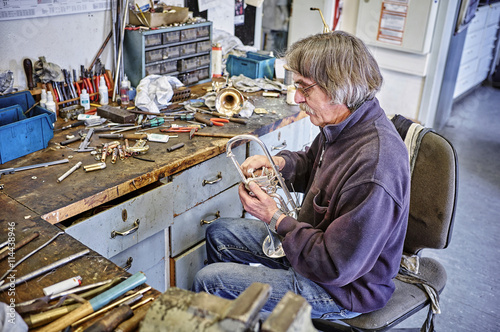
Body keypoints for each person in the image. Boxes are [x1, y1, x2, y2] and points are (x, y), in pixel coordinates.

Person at [192, 31, 410, 320]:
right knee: (219, 234)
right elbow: (312, 162)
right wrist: (279, 164)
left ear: (340, 88)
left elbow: (335, 266)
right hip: (313, 246)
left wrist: (275, 218)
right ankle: (241, 321)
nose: (296, 98)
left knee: (211, 280)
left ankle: (245, 315)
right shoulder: (345, 125)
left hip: (343, 287)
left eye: (305, 89)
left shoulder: (374, 166)